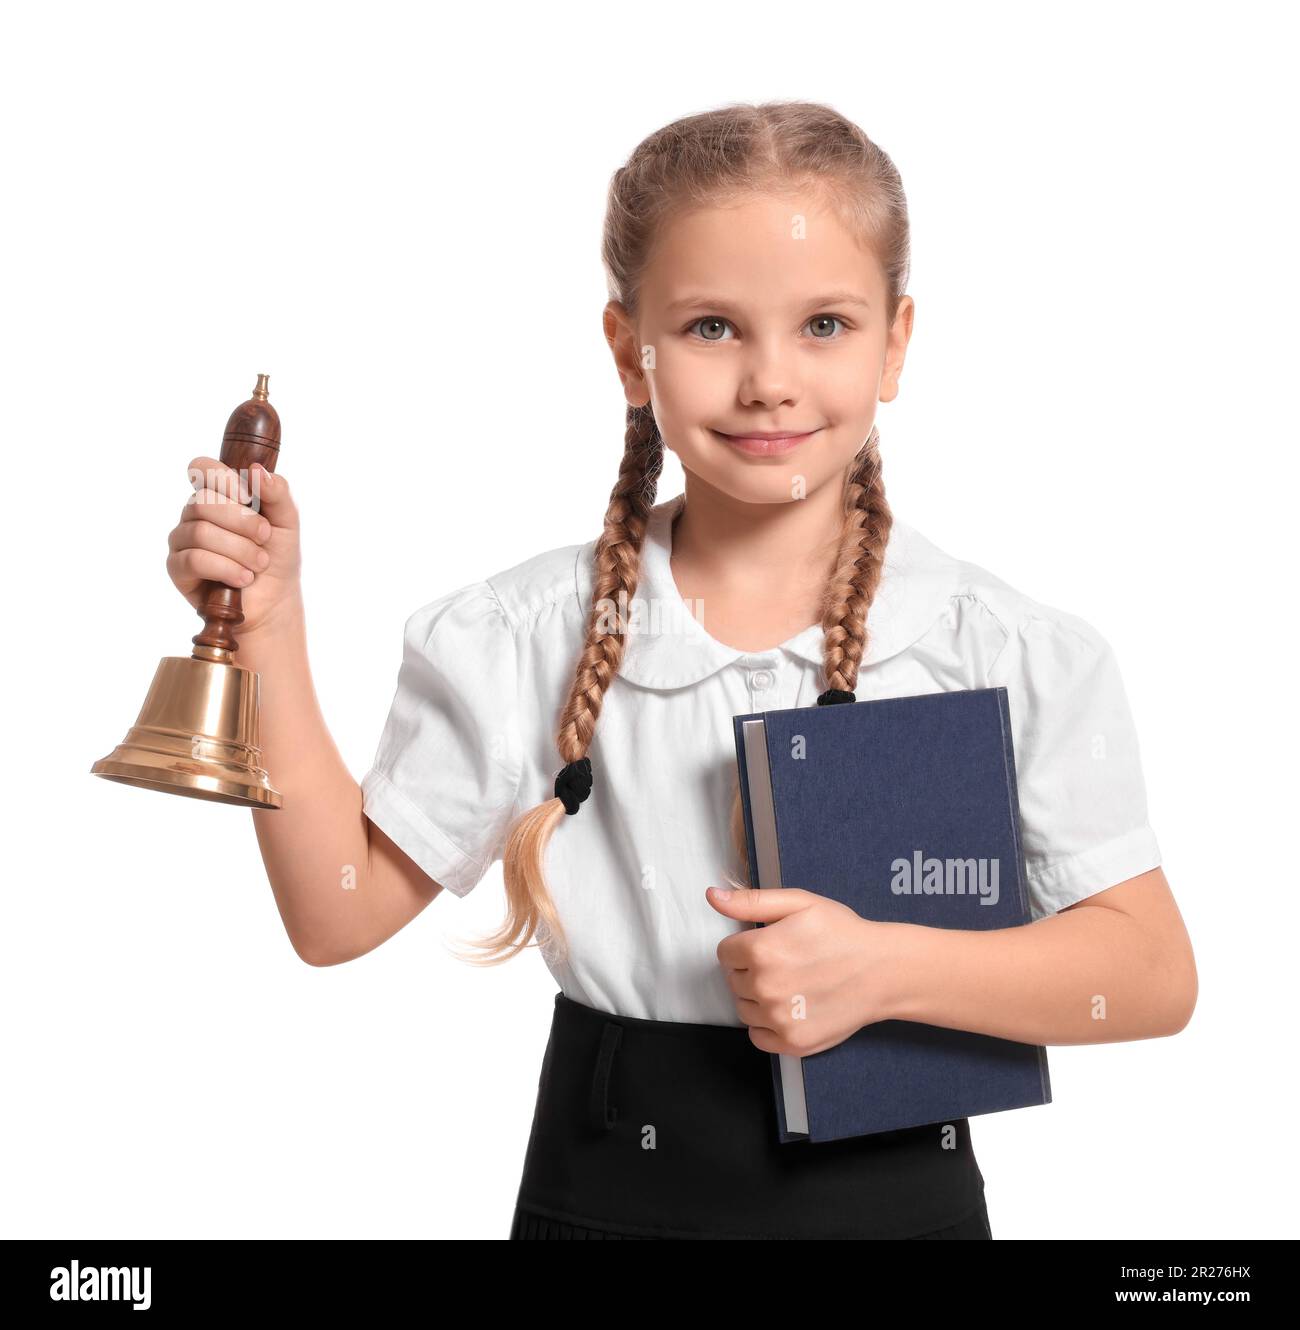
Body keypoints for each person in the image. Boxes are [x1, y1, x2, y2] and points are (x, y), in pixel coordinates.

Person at [167, 100, 1197, 1240]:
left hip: (897, 1199)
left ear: (895, 343)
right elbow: (335, 912)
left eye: (824, 324)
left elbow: (1149, 970)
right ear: (630, 350)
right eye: (711, 327)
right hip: (605, 1190)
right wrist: (269, 624)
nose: (768, 380)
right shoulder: (528, 632)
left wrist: (885, 970)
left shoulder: (1006, 648)